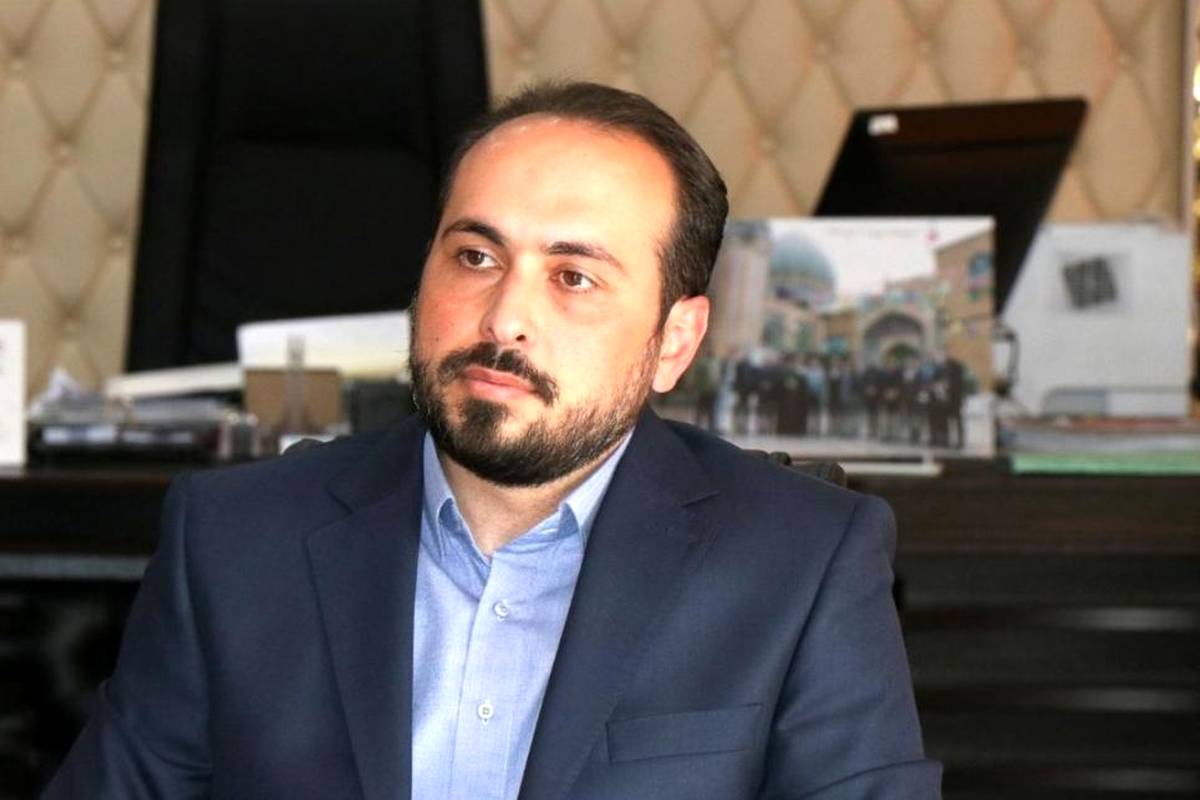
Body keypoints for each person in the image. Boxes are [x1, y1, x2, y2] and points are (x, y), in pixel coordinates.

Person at [46, 81, 940, 799]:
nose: (505, 316)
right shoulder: (235, 541)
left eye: (573, 276)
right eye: (475, 257)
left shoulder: (801, 562)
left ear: (675, 341)